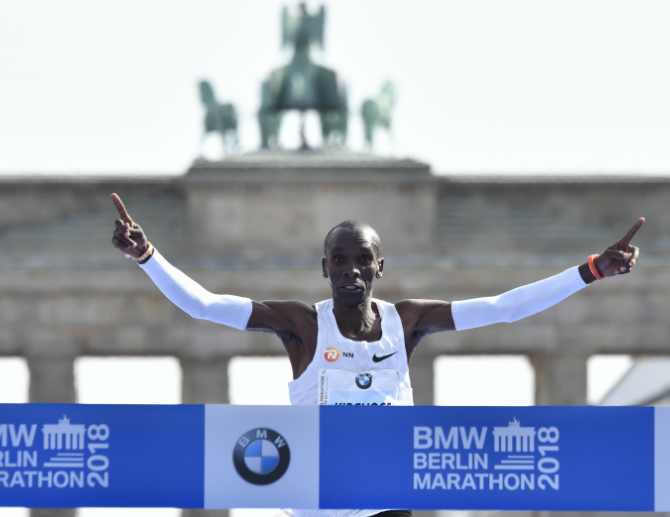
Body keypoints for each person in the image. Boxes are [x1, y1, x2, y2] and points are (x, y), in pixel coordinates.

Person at [109, 192, 642, 517]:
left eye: (362, 260)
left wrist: (591, 270)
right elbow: (204, 305)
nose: (350, 271)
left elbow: (503, 308)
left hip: (386, 493)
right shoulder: (301, 325)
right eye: (338, 261)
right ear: (324, 269)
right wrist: (147, 256)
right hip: (316, 497)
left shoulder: (405, 321)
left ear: (379, 267)